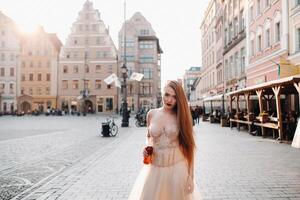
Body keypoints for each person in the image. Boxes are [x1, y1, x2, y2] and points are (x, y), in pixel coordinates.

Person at [128, 80, 200, 200]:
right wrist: (145, 149)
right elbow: (149, 139)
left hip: (177, 171)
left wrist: (190, 177)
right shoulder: (151, 114)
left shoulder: (181, 117)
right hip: (154, 170)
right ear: (162, 93)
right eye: (167, 95)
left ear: (179, 99)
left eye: (174, 97)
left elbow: (190, 148)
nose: (169, 100)